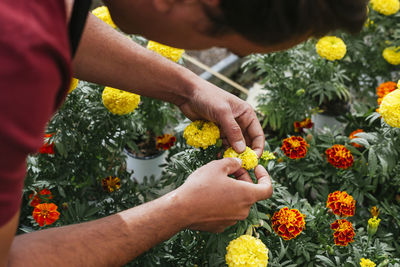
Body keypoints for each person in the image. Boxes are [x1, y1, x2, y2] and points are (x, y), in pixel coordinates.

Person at [0, 0, 367, 265]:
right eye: (223, 46)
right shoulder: (16, 60)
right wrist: (180, 209)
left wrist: (188, 89)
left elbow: (64, 21)